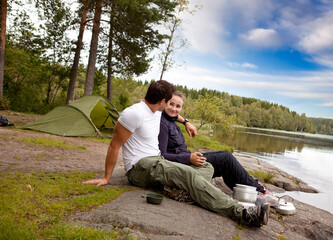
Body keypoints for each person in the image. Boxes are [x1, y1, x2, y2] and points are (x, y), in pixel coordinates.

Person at [84, 80, 269, 227]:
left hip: (156, 161)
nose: (171, 106)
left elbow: (175, 115)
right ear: (163, 101)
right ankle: (243, 213)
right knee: (189, 174)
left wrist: (186, 122)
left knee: (206, 166)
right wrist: (106, 178)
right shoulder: (133, 114)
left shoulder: (155, 110)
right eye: (169, 102)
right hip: (139, 167)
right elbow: (113, 146)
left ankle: (179, 192)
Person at [158, 91, 267, 194]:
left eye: (178, 106)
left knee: (225, 160)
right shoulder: (163, 124)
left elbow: (175, 115)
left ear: (182, 108)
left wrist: (186, 122)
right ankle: (258, 190)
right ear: (165, 102)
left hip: (188, 156)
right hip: (183, 163)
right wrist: (189, 158)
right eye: (171, 104)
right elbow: (162, 155)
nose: (174, 108)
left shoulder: (172, 119)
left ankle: (249, 189)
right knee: (226, 158)